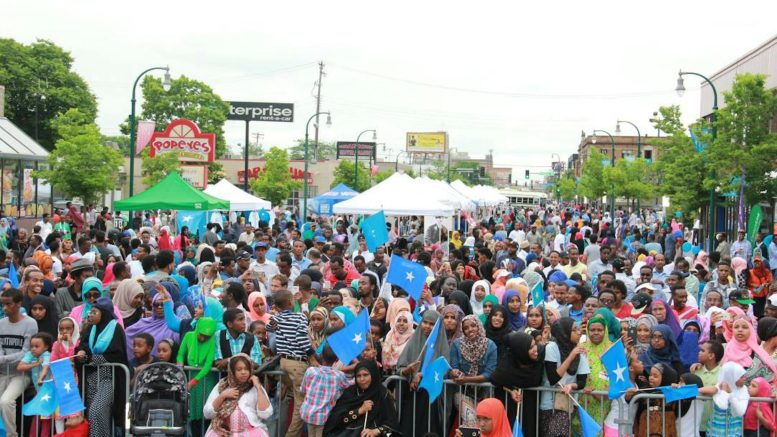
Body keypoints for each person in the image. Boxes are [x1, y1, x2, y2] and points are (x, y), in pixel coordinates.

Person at [74, 297, 129, 437]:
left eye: (94, 312)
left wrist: (91, 359)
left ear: (104, 313)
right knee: (92, 415)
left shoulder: (115, 329)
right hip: (91, 377)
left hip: (109, 377)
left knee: (97, 411)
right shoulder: (90, 328)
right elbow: (83, 346)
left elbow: (117, 355)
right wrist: (81, 353)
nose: (90, 315)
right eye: (90, 312)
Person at [397, 310, 450, 437]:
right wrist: (409, 370)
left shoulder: (441, 344)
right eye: (425, 322)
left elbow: (444, 370)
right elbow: (400, 368)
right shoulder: (413, 341)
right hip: (412, 395)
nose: (427, 326)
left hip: (432, 398)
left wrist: (422, 375)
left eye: (432, 324)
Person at [268, 289, 313, 437]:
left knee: (293, 396)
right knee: (301, 404)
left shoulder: (277, 318)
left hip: (284, 362)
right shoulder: (300, 317)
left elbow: (268, 327)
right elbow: (301, 338)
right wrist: (312, 355)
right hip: (297, 364)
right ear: (290, 302)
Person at [325, 359, 401, 437]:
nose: (362, 379)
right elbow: (337, 421)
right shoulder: (350, 393)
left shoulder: (382, 393)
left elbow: (392, 424)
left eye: (365, 375)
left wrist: (376, 431)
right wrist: (360, 411)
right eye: (358, 376)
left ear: (373, 375)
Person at [540, 317, 589, 437]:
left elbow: (582, 381)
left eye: (578, 329)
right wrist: (571, 356)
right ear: (564, 332)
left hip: (567, 403)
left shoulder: (579, 351)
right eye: (574, 330)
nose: (579, 332)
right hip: (549, 403)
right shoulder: (552, 347)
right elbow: (553, 379)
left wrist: (572, 385)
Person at [203, 353, 273, 437]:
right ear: (232, 371)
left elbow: (266, 414)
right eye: (239, 369)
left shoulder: (254, 386)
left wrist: (258, 387)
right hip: (223, 432)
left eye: (246, 369)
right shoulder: (222, 386)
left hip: (250, 432)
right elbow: (208, 413)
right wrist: (222, 396)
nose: (243, 372)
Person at [489, 332, 545, 436]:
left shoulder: (538, 358)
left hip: (531, 408)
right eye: (530, 347)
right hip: (513, 408)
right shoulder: (507, 366)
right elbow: (495, 379)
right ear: (521, 350)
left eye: (535, 345)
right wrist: (511, 390)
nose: (535, 349)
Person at [0, 288, 38, 437]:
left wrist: (3, 359)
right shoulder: (1, 323)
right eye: (2, 304)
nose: (4, 308)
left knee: (6, 401)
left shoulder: (30, 323)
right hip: (3, 372)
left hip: (21, 374)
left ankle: (12, 435)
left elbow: (26, 352)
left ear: (18, 304)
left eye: (8, 304)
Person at [177, 317, 218, 436]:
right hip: (190, 377)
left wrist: (195, 380)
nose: (203, 338)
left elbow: (208, 365)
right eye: (201, 335)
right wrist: (180, 363)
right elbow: (180, 354)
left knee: (204, 410)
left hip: (206, 379)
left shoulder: (212, 340)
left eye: (207, 336)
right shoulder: (189, 336)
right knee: (191, 410)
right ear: (197, 328)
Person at [634, 363, 679, 437]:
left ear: (665, 378)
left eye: (655, 376)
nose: (651, 378)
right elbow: (632, 400)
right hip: (646, 430)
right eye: (650, 375)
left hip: (666, 431)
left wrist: (675, 389)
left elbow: (681, 408)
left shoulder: (671, 393)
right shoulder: (645, 390)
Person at [705, 362, 749, 437]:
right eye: (741, 376)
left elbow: (741, 411)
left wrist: (730, 394)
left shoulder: (743, 389)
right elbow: (722, 405)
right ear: (732, 377)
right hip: (716, 431)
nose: (745, 378)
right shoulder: (719, 386)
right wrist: (724, 391)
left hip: (734, 432)